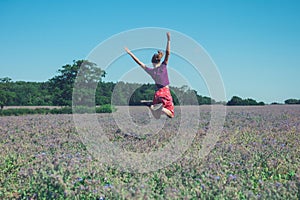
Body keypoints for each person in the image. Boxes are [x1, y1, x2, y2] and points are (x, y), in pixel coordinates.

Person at [125, 32, 174, 119]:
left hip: (157, 94)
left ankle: (151, 106)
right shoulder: (163, 67)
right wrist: (168, 40)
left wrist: (130, 53)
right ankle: (161, 108)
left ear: (152, 62)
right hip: (165, 92)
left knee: (156, 116)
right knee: (171, 114)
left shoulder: (151, 71)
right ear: (159, 60)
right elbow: (168, 53)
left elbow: (139, 63)